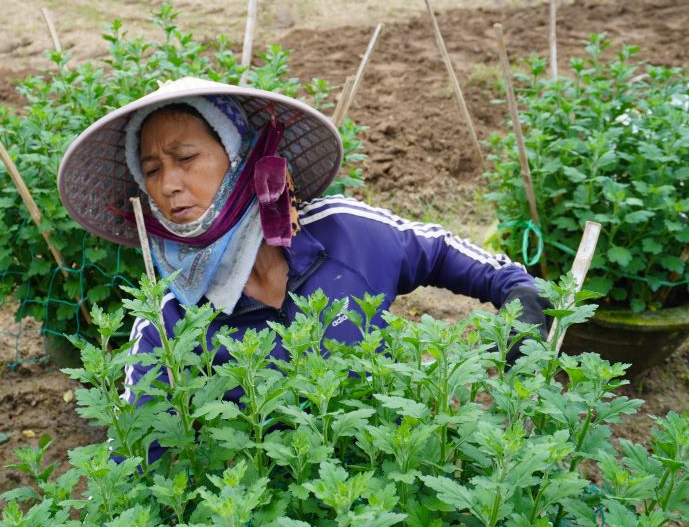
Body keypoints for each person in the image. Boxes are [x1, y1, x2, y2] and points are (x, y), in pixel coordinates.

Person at [57, 77, 550, 410]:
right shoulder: (168, 321)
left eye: (185, 158)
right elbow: (136, 458)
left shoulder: (344, 234)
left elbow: (449, 255)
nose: (168, 185)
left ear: (240, 157)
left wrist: (521, 295)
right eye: (151, 170)